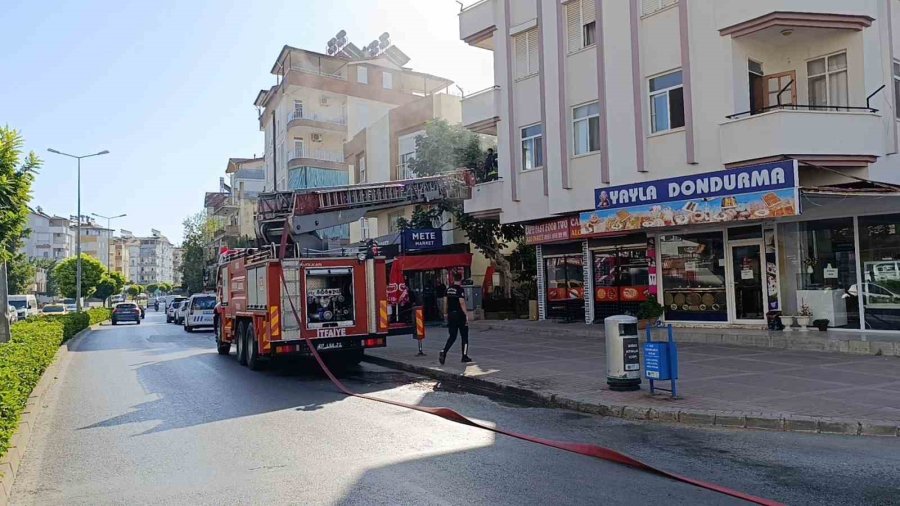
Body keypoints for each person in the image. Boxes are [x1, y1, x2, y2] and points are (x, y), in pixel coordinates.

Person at [439, 273, 471, 364]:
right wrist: (466, 315)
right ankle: (464, 356)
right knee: (464, 336)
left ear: (453, 279)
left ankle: (444, 351)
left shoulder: (448, 289)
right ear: (461, 279)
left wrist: (445, 313)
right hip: (460, 315)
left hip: (451, 315)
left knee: (452, 336)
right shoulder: (460, 289)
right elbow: (462, 303)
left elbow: (445, 302)